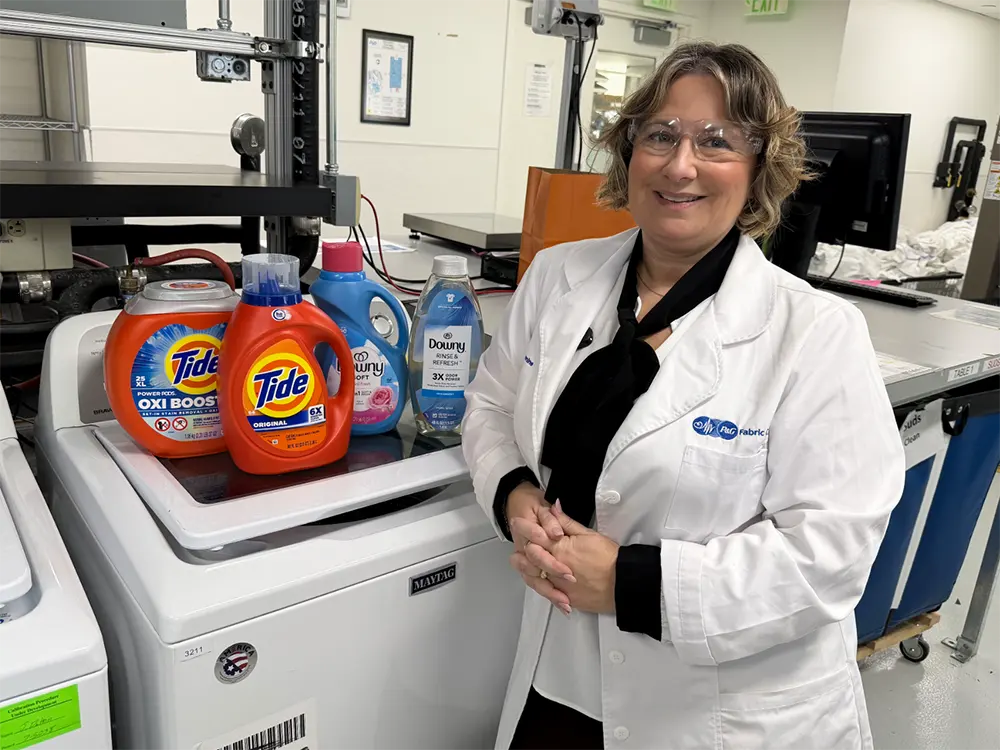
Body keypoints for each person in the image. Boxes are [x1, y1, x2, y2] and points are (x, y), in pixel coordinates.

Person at [462, 41, 904, 750]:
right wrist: (514, 494)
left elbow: (831, 554)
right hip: (561, 674)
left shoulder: (816, 332)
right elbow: (489, 407)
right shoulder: (557, 275)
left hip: (720, 712)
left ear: (760, 168)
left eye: (717, 142)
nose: (680, 165)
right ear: (629, 151)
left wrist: (633, 584)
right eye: (660, 135)